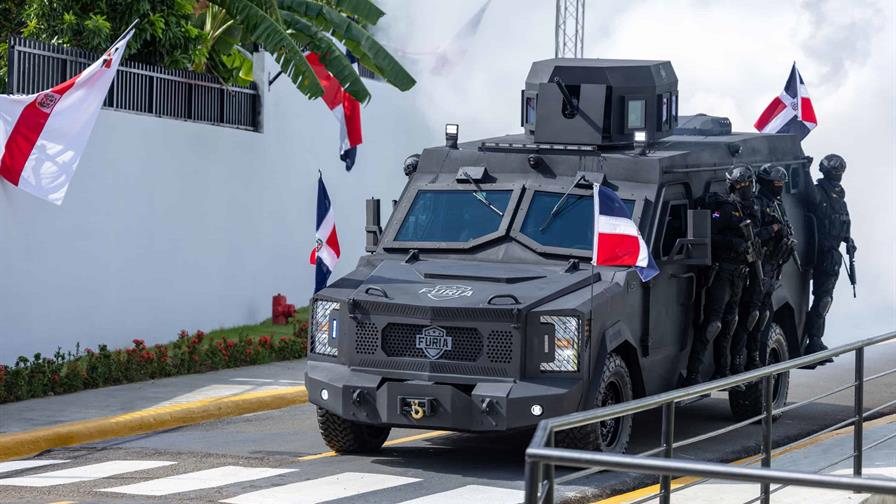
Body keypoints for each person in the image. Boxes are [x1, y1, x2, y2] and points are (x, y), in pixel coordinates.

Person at [683, 165, 759, 386]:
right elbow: (708, 236)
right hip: (722, 272)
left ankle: (722, 371)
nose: (744, 188)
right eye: (740, 184)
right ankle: (693, 374)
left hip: (740, 273)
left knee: (730, 323)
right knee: (712, 324)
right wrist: (733, 243)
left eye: (747, 184)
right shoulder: (725, 209)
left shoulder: (749, 209)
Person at [730, 164, 793, 373]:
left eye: (782, 183)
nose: (780, 186)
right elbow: (752, 234)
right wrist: (773, 229)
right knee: (750, 315)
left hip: (772, 267)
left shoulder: (777, 205)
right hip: (758, 267)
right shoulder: (757, 204)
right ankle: (738, 359)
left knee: (763, 315)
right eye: (776, 183)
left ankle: (754, 356)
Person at [805, 154, 856, 354]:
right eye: (835, 170)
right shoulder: (819, 192)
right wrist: (805, 170)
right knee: (822, 299)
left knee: (825, 299)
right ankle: (813, 340)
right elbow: (810, 198)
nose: (838, 173)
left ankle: (816, 339)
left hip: (832, 255)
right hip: (819, 254)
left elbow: (843, 224)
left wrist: (848, 240)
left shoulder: (840, 198)